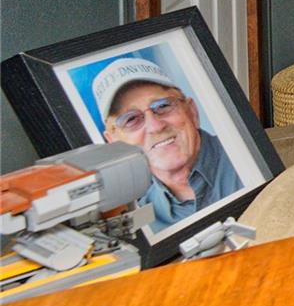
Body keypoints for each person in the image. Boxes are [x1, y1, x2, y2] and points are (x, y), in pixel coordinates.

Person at [92, 56, 244, 229]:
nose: (155, 126)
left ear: (192, 112)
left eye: (163, 106)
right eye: (131, 119)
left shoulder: (249, 162)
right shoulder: (137, 222)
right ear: (115, 144)